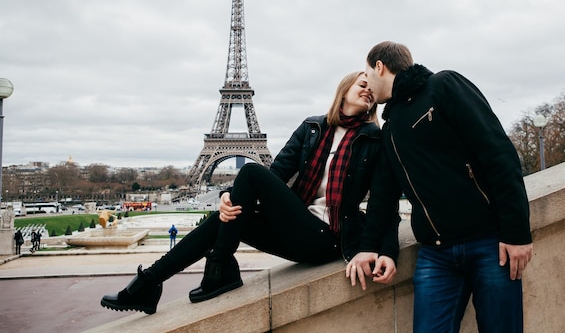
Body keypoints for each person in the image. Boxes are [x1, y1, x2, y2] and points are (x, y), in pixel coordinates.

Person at [101, 71, 400, 315]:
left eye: (372, 92)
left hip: (329, 238)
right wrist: (229, 196)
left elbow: (384, 205)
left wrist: (386, 251)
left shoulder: (374, 140)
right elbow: (277, 173)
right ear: (344, 88)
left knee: (249, 173)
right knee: (227, 214)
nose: (368, 91)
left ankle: (217, 267)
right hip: (296, 228)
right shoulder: (312, 129)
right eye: (362, 84)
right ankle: (151, 281)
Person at [349, 41, 533, 333]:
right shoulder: (391, 127)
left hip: (489, 242)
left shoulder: (443, 86)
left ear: (380, 67)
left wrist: (517, 232)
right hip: (435, 255)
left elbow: (498, 153)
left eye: (367, 74)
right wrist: (370, 247)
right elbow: (383, 195)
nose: (367, 84)